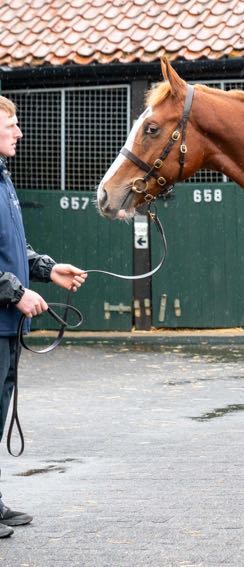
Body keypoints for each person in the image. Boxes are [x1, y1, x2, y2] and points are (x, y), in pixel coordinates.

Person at [0, 95, 87, 538]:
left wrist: (47, 269)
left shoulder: (3, 180)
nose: (19, 132)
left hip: (7, 327)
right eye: (11, 124)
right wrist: (15, 292)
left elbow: (14, 249)